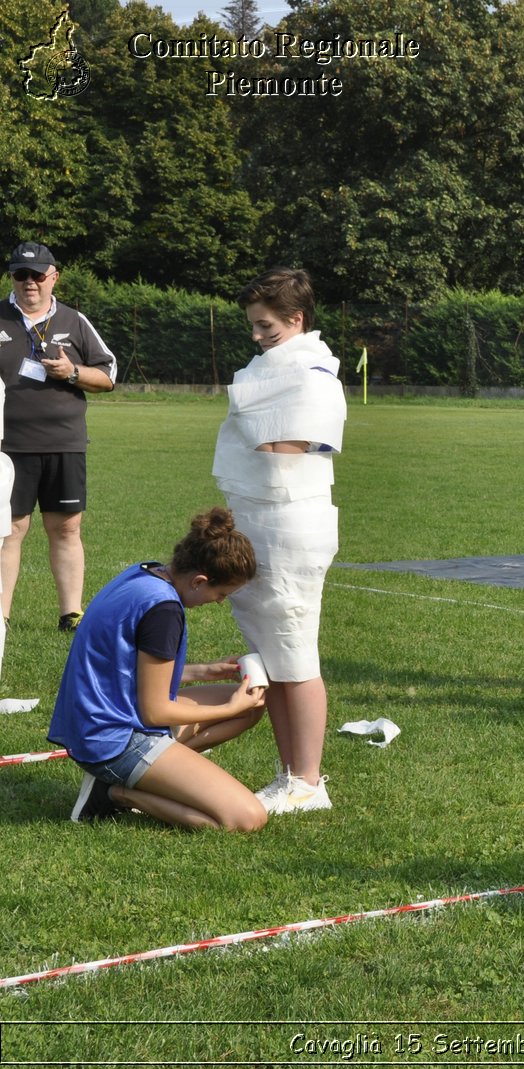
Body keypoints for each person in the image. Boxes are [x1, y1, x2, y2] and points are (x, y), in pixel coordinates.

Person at [214, 267, 346, 815]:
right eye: (252, 326)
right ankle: (291, 772)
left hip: (291, 523)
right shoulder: (269, 371)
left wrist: (256, 420)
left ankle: (309, 781)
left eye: (266, 325)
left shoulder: (314, 375)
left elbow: (286, 446)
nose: (256, 336)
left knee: (296, 652)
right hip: (260, 518)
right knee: (273, 656)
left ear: (297, 320)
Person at [47, 507, 268, 831]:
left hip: (98, 721)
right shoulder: (164, 611)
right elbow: (155, 711)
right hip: (113, 740)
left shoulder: (145, 573)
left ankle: (150, 776)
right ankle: (117, 793)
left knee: (251, 709)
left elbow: (126, 667)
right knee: (248, 818)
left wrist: (203, 671)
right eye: (221, 594)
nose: (220, 602)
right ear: (199, 581)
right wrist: (229, 706)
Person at [0, 242, 117, 633]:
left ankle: (71, 615)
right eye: (21, 274)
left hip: (64, 444)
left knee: (67, 528)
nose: (29, 283)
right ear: (12, 277)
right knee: (9, 530)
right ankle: (1, 616)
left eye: (37, 275)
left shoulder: (75, 320)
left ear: (54, 277)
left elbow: (109, 376)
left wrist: (71, 372)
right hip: (7, 448)